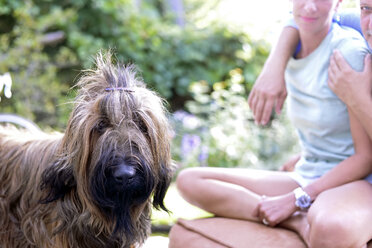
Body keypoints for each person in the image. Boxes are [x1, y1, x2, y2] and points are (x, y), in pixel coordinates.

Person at [176, 0, 372, 247]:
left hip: (351, 182)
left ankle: (298, 213)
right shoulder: (320, 31)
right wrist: (275, 63)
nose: (310, 6)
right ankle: (297, 221)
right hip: (310, 172)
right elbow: (306, 17)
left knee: (330, 227)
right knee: (190, 181)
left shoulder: (351, 53)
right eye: (367, 9)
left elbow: (365, 157)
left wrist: (297, 198)